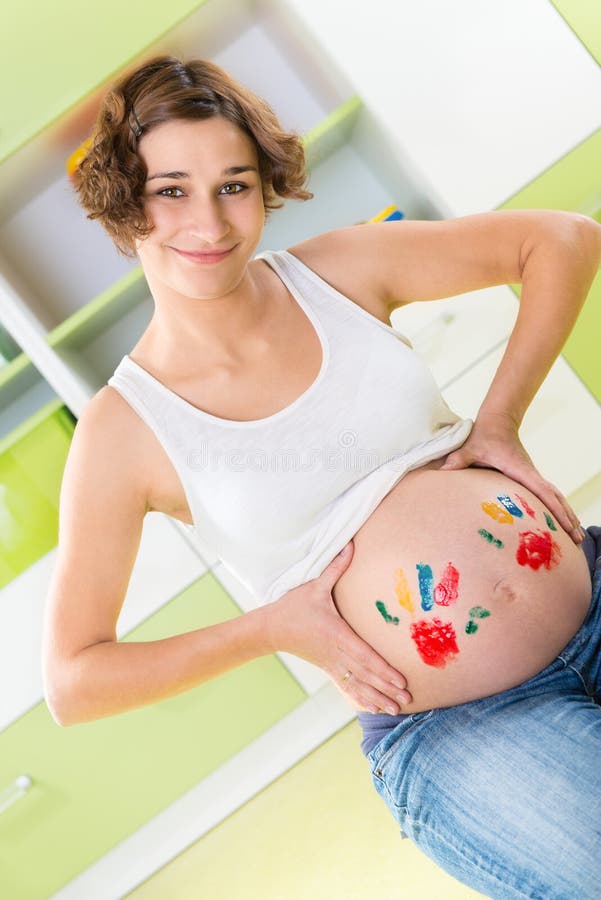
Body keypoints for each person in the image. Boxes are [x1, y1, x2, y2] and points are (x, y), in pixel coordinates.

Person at [41, 55, 601, 898]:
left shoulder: (336, 270)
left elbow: (561, 239)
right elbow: (75, 681)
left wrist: (499, 422)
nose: (211, 221)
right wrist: (269, 628)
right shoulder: (124, 431)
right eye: (171, 190)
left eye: (233, 185)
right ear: (125, 202)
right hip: (461, 725)